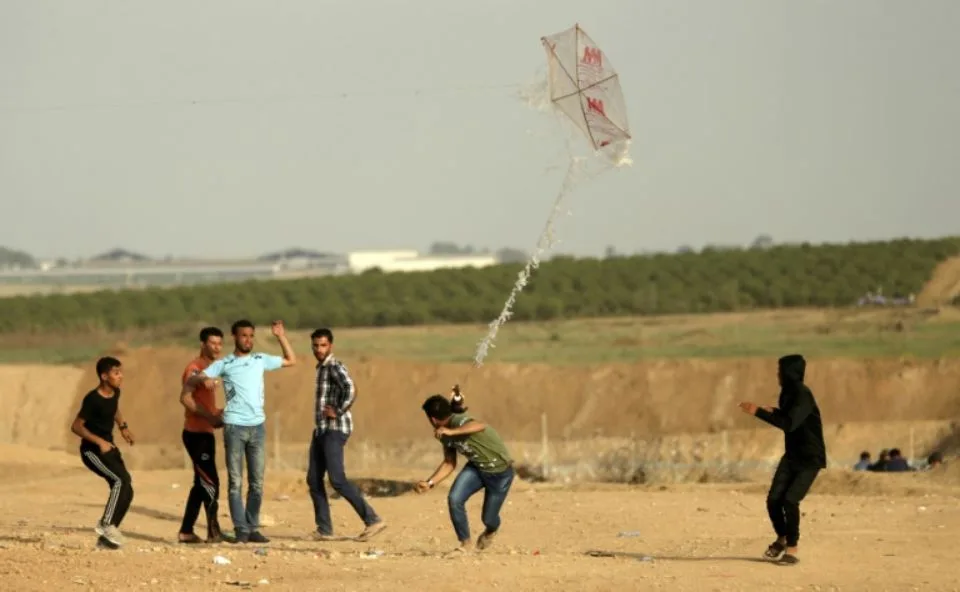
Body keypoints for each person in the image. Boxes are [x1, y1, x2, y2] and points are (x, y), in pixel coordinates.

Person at [183, 319, 295, 544]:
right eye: (244, 335)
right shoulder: (225, 363)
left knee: (257, 482)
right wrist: (203, 380)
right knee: (236, 482)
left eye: (251, 336)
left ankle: (252, 527)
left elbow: (291, 360)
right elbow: (195, 377)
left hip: (257, 427)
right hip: (234, 427)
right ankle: (241, 529)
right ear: (235, 337)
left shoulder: (260, 359)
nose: (248, 340)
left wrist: (280, 336)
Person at [739, 353, 826, 566]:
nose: (777, 374)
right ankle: (782, 538)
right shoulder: (788, 393)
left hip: (810, 458)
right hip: (792, 455)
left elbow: (789, 424)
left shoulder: (802, 394)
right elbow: (788, 417)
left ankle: (792, 548)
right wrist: (773, 411)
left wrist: (758, 412)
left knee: (790, 500)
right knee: (773, 500)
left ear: (789, 372)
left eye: (780, 370)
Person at [306, 328, 387, 542]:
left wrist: (338, 410)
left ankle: (372, 520)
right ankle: (324, 529)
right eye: (315, 345)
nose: (319, 350)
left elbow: (350, 388)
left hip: (335, 428)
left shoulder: (334, 366)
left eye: (323, 345)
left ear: (330, 346)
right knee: (314, 480)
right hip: (321, 429)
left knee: (337, 479)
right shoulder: (321, 368)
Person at [415, 389, 514, 555]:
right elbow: (449, 463)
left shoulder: (459, 421)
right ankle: (465, 543)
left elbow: (480, 425)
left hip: (500, 473)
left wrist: (452, 432)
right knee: (454, 498)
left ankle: (491, 530)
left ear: (432, 419)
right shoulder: (443, 434)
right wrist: (430, 483)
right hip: (476, 468)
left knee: (488, 518)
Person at [70, 356, 136, 549]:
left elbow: (115, 409)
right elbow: (76, 426)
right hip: (92, 452)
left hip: (109, 448)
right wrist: (99, 442)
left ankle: (106, 540)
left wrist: (123, 427)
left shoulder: (115, 392)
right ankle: (106, 524)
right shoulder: (92, 399)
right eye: (116, 373)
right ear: (104, 376)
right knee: (119, 481)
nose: (121, 376)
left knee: (127, 488)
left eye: (120, 372)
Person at [178, 326, 226, 544]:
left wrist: (219, 415)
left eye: (219, 343)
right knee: (211, 482)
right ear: (203, 344)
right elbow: (187, 396)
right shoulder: (195, 368)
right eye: (212, 343)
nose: (216, 347)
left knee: (200, 484)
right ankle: (213, 531)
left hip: (205, 433)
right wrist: (209, 416)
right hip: (196, 434)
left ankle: (186, 531)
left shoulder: (212, 367)